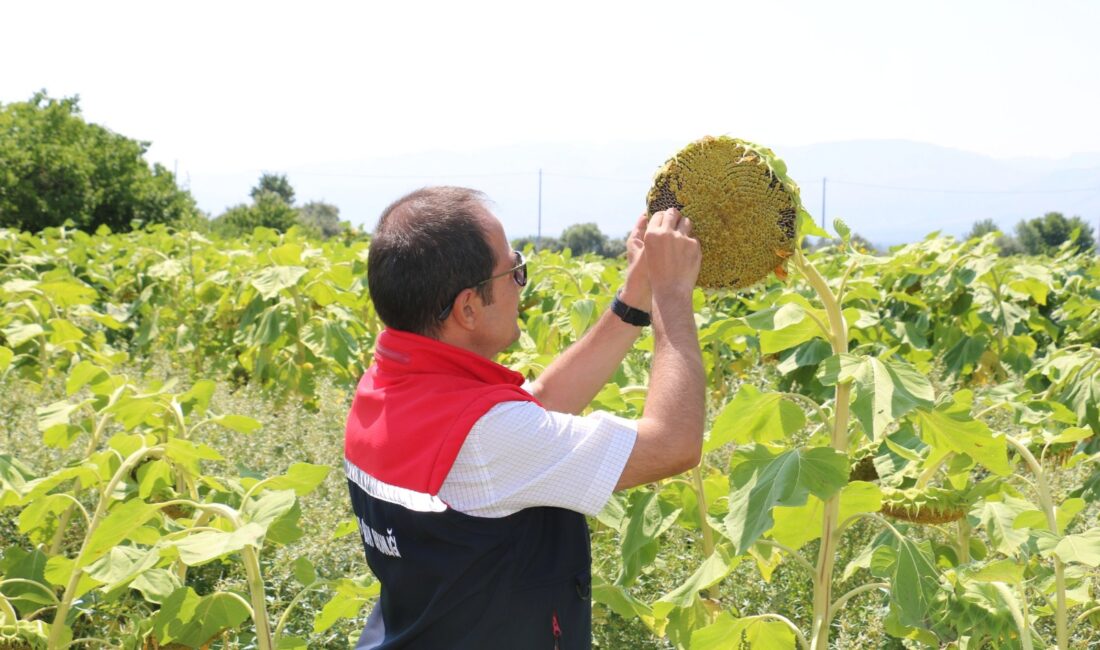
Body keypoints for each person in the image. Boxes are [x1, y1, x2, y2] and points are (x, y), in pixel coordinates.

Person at [344, 186, 704, 649]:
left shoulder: (386, 385)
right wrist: (672, 296)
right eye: (513, 271)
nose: (520, 283)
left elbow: (536, 405)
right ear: (467, 309)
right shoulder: (486, 438)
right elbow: (673, 444)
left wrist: (635, 296)